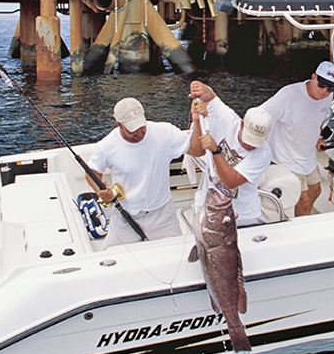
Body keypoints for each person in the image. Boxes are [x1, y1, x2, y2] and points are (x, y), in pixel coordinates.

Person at [86, 97, 192, 245]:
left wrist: (198, 121)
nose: (139, 133)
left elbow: (197, 149)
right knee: (112, 260)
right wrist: (99, 190)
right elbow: (92, 171)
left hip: (162, 214)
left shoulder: (165, 132)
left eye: (141, 127)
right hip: (124, 212)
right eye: (132, 129)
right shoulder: (107, 145)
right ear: (119, 124)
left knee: (174, 253)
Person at [261, 60, 334, 215]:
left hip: (306, 156)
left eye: (330, 88)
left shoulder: (327, 97)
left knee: (316, 191)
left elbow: (317, 120)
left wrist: (318, 138)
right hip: (286, 157)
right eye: (321, 85)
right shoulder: (289, 95)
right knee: (304, 200)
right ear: (313, 77)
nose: (324, 91)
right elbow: (260, 116)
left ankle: (301, 220)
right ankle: (301, 229)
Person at [188, 80, 273, 226]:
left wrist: (216, 151)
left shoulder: (263, 154)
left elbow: (231, 181)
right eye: (248, 139)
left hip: (243, 216)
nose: (250, 145)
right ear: (241, 124)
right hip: (210, 207)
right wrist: (200, 89)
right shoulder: (228, 119)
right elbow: (211, 96)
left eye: (255, 142)